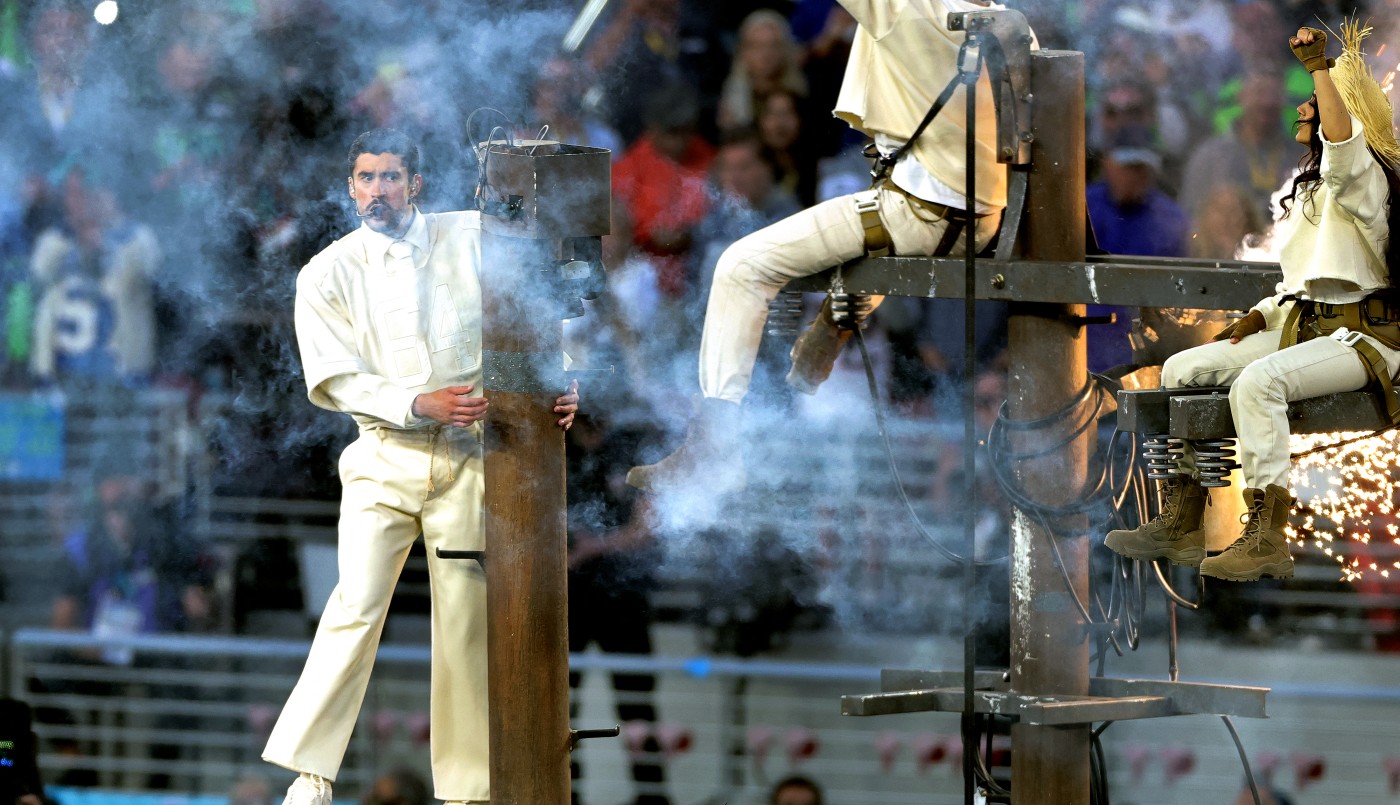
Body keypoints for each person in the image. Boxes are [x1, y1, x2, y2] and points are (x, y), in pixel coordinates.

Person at [261, 128, 581, 805]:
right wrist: (416, 400)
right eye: (367, 177)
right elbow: (335, 378)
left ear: (418, 184)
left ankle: (468, 789)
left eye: (391, 176)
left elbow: (547, 296)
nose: (379, 189)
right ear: (350, 187)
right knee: (354, 602)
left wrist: (562, 377)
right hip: (382, 455)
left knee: (466, 615)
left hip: (468, 455)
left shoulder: (470, 234)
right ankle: (311, 773)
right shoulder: (326, 272)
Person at [628, 0, 1034, 495]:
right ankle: (833, 324)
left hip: (916, 213)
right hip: (986, 222)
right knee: (868, 247)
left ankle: (715, 445)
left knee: (740, 266)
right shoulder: (1014, 27)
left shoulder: (914, 9)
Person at [1105, 22, 1400, 582]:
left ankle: (1265, 537)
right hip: (1305, 327)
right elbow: (1306, 279)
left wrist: (1319, 65)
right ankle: (1183, 520)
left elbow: (1343, 145)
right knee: (1181, 369)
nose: (1304, 110)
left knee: (1258, 384)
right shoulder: (1313, 186)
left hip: (1364, 339)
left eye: (1314, 103)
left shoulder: (1363, 179)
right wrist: (1266, 310)